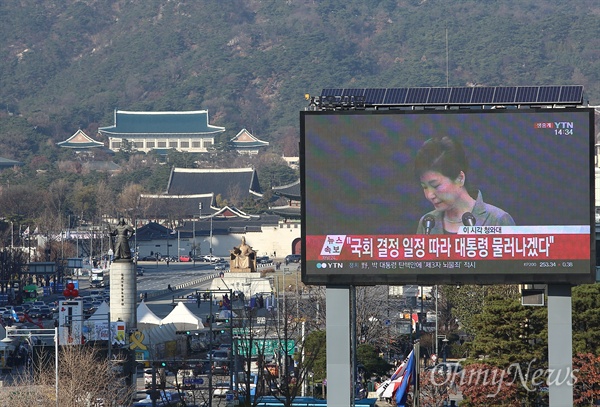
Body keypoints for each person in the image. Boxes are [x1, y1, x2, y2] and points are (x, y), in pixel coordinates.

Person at [414, 136, 515, 234]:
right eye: (425, 187)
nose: (429, 195)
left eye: (436, 185)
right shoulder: (427, 224)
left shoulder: (497, 220)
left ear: (460, 178)